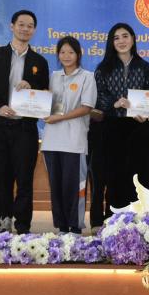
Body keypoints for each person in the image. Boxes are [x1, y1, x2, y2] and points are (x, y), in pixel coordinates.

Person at [0, 10, 49, 234]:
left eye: (30, 26)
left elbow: (45, 93)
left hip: (25, 129)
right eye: (21, 24)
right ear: (12, 26)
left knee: (24, 178)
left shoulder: (39, 61)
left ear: (34, 30)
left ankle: (23, 225)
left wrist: (32, 87)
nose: (25, 29)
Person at [93, 23, 149, 213]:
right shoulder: (103, 68)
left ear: (133, 39)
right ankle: (113, 217)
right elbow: (99, 96)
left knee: (139, 172)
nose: (121, 41)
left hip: (139, 127)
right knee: (114, 173)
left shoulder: (144, 67)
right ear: (111, 42)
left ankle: (140, 218)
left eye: (125, 36)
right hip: (112, 126)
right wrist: (115, 103)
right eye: (116, 38)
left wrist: (144, 113)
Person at [41, 36, 96, 234]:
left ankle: (75, 227)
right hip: (51, 141)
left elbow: (87, 107)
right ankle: (62, 226)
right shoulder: (53, 76)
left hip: (75, 141)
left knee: (74, 187)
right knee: (56, 187)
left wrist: (61, 117)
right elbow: (45, 102)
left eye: (71, 52)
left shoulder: (87, 77)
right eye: (62, 52)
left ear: (78, 55)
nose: (66, 56)